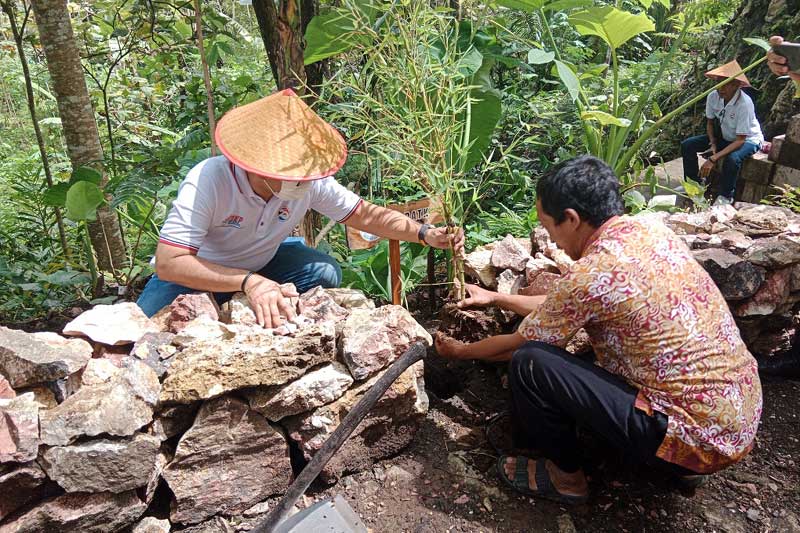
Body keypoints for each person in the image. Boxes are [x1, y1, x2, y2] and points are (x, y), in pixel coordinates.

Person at [435, 155, 762, 504]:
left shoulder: (590, 274)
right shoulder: (649, 232)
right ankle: (679, 467)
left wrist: (458, 352)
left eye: (549, 227)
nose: (552, 239)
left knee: (531, 363)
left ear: (572, 219)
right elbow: (564, 304)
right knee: (574, 357)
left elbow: (515, 346)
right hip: (734, 420)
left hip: (694, 438)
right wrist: (497, 298)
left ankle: (567, 480)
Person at [137, 89, 463, 326]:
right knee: (144, 325)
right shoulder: (210, 179)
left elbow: (365, 215)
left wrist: (424, 233)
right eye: (290, 173)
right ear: (256, 165)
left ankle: (254, 296)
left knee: (324, 272)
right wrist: (249, 283)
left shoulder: (309, 179)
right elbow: (170, 262)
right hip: (198, 271)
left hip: (264, 260)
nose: (303, 181)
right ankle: (233, 295)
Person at [680, 60, 764, 205]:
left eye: (726, 83)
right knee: (688, 145)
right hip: (725, 135)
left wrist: (713, 159)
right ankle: (694, 184)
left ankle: (726, 196)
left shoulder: (744, 104)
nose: (721, 88)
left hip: (748, 139)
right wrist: (713, 143)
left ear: (736, 85)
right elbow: (710, 122)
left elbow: (740, 140)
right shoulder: (713, 96)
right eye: (719, 82)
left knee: (733, 159)